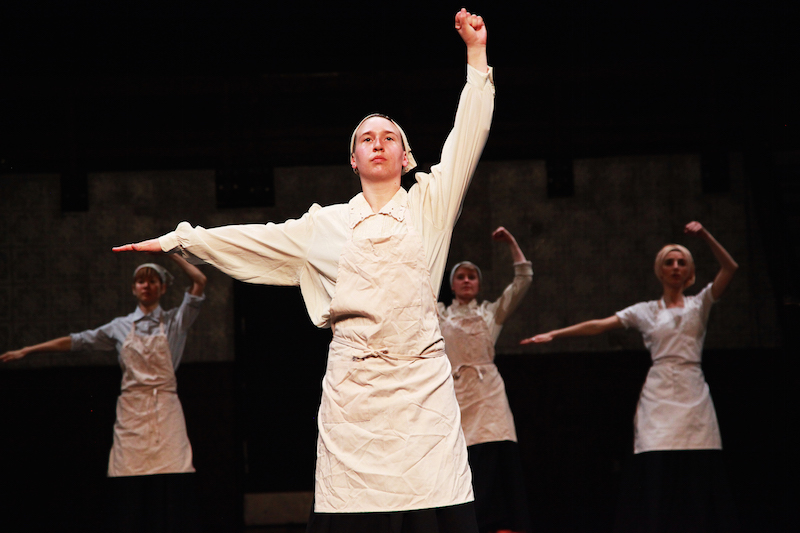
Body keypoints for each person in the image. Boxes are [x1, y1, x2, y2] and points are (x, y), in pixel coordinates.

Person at [112, 8, 494, 532]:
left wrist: (476, 55)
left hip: (423, 388)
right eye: (366, 138)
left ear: (405, 157)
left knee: (432, 510)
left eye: (388, 137)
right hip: (355, 393)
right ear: (353, 161)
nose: (378, 143)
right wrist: (183, 238)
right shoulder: (325, 226)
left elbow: (468, 135)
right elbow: (256, 239)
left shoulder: (432, 203)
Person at [521, 221, 740, 533]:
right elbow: (599, 324)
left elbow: (730, 268)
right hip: (660, 391)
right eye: (669, 262)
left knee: (697, 468)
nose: (675, 267)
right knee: (655, 466)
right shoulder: (646, 310)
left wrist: (704, 234)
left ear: (689, 270)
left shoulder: (699, 304)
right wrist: (554, 334)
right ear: (660, 270)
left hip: (693, 390)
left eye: (682, 262)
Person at [1, 254, 207, 532]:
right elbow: (77, 341)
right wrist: (28, 350)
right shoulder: (119, 327)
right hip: (133, 411)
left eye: (152, 281)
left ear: (163, 287)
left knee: (169, 482)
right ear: (134, 288)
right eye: (140, 281)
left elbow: (200, 280)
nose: (146, 286)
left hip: (165, 407)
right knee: (130, 484)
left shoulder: (175, 322)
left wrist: (170, 251)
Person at [438, 226, 533, 533]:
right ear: (452, 284)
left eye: (472, 276)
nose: (467, 280)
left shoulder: (491, 314)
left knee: (496, 465)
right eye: (461, 276)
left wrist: (511, 242)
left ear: (478, 284)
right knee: (465, 469)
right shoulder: (439, 314)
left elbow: (523, 280)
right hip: (455, 397)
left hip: (489, 397)